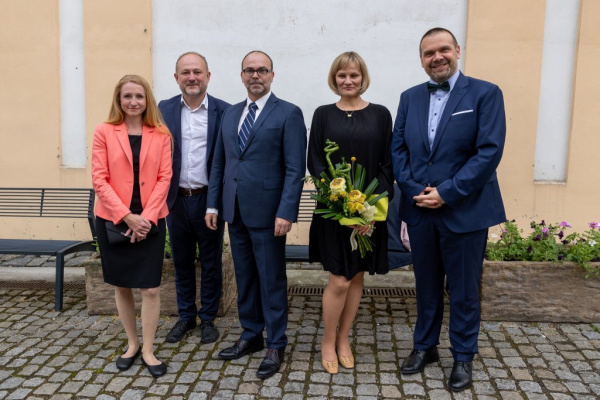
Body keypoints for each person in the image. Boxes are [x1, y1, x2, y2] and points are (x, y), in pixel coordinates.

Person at [391, 27, 506, 392]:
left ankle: (462, 356)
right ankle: (425, 347)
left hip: (465, 209)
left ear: (457, 50)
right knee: (425, 286)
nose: (437, 57)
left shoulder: (485, 94)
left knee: (463, 289)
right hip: (420, 209)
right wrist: (413, 191)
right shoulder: (409, 98)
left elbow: (488, 152)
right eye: (429, 53)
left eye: (443, 50)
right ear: (421, 59)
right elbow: (398, 151)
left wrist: (446, 192)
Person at [205, 50, 307, 379]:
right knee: (245, 278)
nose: (255, 76)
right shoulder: (231, 114)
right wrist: (213, 204)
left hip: (269, 215)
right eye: (249, 71)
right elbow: (220, 163)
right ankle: (251, 335)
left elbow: (295, 169)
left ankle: (276, 342)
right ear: (241, 76)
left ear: (272, 75)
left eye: (262, 70)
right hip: (234, 211)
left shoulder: (288, 114)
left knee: (271, 280)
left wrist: (286, 211)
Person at [307, 51, 394, 374]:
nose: (348, 81)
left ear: (363, 78)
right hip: (334, 212)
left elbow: (388, 165)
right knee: (339, 280)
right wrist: (341, 204)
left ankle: (344, 339)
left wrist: (371, 212)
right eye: (342, 75)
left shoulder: (381, 115)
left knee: (356, 276)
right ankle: (327, 340)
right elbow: (316, 162)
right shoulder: (322, 114)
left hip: (370, 214)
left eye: (354, 75)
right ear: (334, 79)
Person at [91, 74, 173, 378]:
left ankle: (149, 349)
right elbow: (99, 178)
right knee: (122, 284)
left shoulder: (162, 134)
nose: (133, 102)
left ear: (147, 99)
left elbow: (165, 177)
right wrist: (127, 216)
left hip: (150, 218)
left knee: (150, 288)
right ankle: (132, 344)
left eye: (139, 96)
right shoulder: (104, 131)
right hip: (113, 218)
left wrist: (146, 218)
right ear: (119, 100)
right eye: (127, 96)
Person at [158, 52, 230, 344]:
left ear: (208, 76)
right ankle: (186, 316)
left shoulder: (225, 111)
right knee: (182, 261)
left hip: (208, 200)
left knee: (211, 262)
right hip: (175, 200)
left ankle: (209, 318)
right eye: (185, 72)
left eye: (197, 72)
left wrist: (216, 200)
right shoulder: (163, 110)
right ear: (176, 78)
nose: (192, 77)